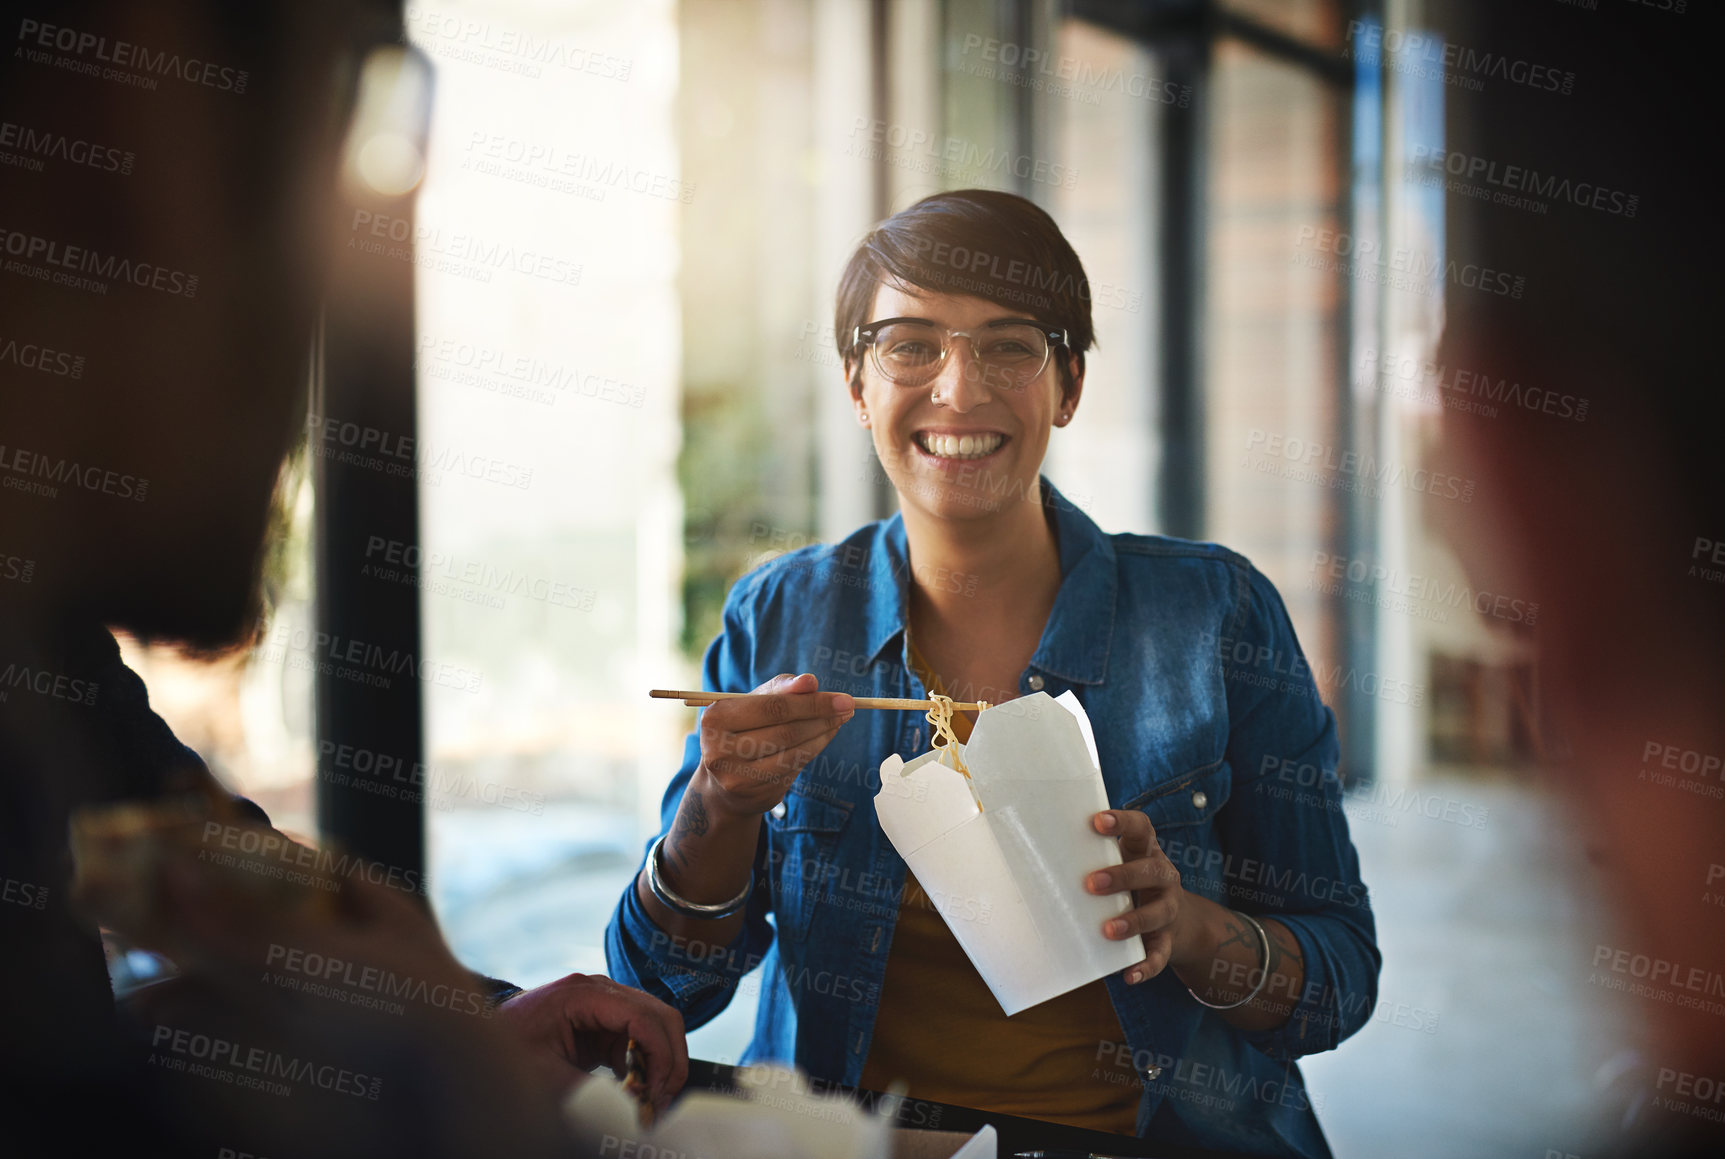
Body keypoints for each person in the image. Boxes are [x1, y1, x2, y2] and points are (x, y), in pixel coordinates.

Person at [607, 189, 1380, 1157]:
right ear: (857, 383)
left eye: (1009, 345)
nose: (960, 391)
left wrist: (1188, 928)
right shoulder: (781, 617)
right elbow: (659, 990)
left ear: (1069, 385)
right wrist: (715, 813)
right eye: (910, 344)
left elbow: (1342, 981)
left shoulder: (1218, 618)